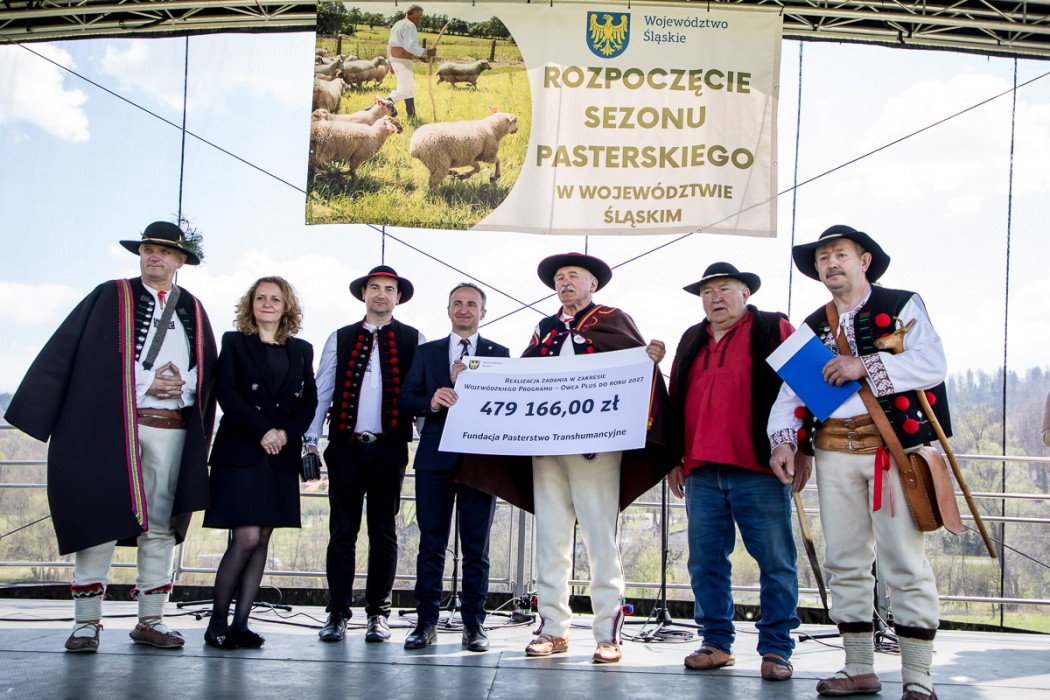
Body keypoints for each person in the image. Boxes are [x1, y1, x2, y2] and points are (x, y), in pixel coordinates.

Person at [5, 221, 217, 652]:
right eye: (148, 248)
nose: (154, 255)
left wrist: (181, 386)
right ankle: (86, 623)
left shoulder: (193, 310)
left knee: (161, 524)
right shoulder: (110, 297)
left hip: (172, 429)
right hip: (114, 428)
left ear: (180, 261)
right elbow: (86, 361)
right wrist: (149, 384)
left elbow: (207, 373)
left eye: (165, 251)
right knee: (98, 517)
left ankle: (151, 620)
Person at [460, 252, 674, 664]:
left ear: (593, 284)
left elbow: (635, 369)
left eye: (573, 275)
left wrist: (648, 358)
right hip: (547, 449)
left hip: (596, 448)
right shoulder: (545, 328)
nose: (564, 282)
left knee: (600, 538)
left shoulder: (613, 320)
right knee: (550, 539)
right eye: (559, 277)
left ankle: (608, 633)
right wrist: (474, 377)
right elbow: (520, 376)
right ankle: (552, 629)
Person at [768, 225, 951, 700]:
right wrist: (783, 443)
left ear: (863, 261)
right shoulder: (813, 324)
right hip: (833, 452)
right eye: (823, 258)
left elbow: (932, 364)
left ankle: (918, 677)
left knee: (904, 561)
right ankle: (858, 668)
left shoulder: (901, 304)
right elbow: (790, 395)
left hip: (891, 450)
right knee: (844, 560)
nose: (830, 263)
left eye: (840, 254)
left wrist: (863, 365)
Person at [667, 262, 805, 682]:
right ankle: (715, 643)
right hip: (701, 469)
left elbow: (808, 385)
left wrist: (803, 448)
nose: (716, 298)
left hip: (759, 467)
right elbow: (675, 398)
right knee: (705, 562)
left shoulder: (774, 327)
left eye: (725, 289)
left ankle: (777, 648)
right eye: (708, 292)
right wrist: (673, 458)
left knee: (776, 560)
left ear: (746, 293)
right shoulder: (691, 338)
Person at [306, 265, 423, 643]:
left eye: (389, 289)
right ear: (364, 294)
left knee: (384, 532)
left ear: (398, 297)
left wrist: (430, 440)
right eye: (375, 287)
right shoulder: (340, 337)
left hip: (390, 449)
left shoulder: (414, 339)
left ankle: (378, 613)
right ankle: (337, 612)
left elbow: (420, 395)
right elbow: (322, 390)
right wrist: (310, 439)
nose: (381, 294)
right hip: (345, 448)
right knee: (342, 532)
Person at [202, 277, 318, 649]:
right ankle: (217, 623)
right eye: (261, 298)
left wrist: (285, 433)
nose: (267, 304)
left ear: (286, 306)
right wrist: (263, 431)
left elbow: (310, 402)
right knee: (247, 536)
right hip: (242, 451)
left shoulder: (301, 350)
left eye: (275, 299)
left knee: (263, 537)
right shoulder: (235, 342)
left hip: (280, 453)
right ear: (250, 304)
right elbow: (227, 393)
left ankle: (241, 625)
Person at [399, 283, 510, 652]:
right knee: (431, 544)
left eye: (472, 304)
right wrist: (431, 401)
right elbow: (405, 399)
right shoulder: (427, 352)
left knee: (476, 549)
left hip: (481, 461)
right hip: (435, 459)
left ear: (483, 313)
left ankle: (474, 624)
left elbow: (508, 404)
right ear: (448, 310)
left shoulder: (500, 355)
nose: (464, 309)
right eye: (458, 304)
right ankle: (425, 623)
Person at [387, 4, 436, 119]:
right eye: (420, 15)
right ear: (413, 13)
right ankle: (377, 106)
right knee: (404, 90)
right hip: (403, 61)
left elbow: (389, 45)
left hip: (396, 60)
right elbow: (409, 46)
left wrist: (390, 62)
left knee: (410, 88)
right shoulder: (410, 25)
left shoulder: (398, 24)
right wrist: (427, 52)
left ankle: (412, 115)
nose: (420, 18)